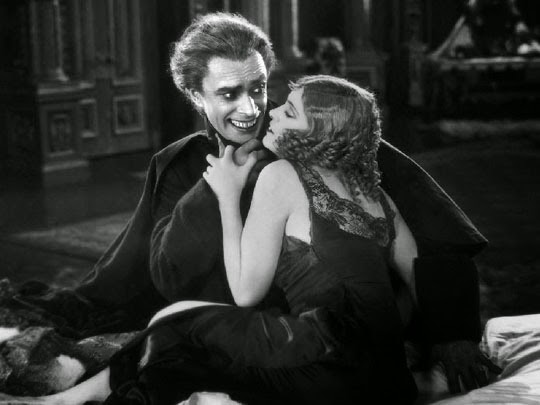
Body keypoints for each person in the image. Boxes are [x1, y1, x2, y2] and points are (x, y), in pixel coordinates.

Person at [1, 12, 494, 398]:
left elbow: (435, 232)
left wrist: (453, 335)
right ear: (195, 95)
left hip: (332, 338)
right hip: (242, 328)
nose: (252, 108)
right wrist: (213, 191)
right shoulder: (179, 164)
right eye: (229, 93)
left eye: (258, 88)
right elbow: (167, 277)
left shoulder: (323, 137)